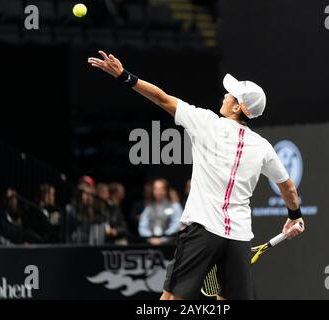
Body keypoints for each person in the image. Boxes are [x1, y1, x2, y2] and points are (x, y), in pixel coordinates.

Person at [88, 51, 305, 300]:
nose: (225, 95)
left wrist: (123, 76)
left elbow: (162, 99)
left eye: (230, 94)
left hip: (203, 230)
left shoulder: (206, 122)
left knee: (170, 300)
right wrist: (294, 215)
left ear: (237, 106)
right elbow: (288, 188)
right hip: (239, 237)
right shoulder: (264, 147)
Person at [138, 178, 182, 246]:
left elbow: (176, 225)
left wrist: (163, 239)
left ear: (166, 191)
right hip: (152, 244)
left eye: (161, 189)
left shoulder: (175, 206)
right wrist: (151, 238)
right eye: (155, 189)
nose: (158, 192)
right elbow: (143, 226)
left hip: (171, 245)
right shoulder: (149, 207)